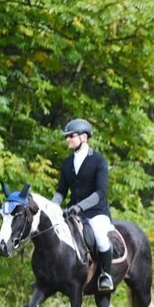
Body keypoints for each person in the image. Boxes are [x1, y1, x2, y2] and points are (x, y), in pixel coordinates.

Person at [53, 118, 115, 291]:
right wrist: (51, 207)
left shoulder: (98, 160)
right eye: (67, 137)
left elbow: (100, 193)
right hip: (73, 213)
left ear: (84, 137)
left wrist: (80, 206)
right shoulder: (66, 163)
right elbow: (61, 192)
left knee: (101, 238)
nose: (67, 140)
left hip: (96, 212)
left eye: (71, 136)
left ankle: (105, 275)